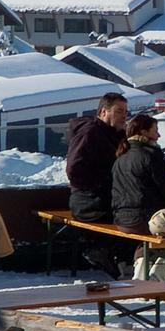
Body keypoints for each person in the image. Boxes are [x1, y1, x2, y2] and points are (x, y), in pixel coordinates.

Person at [112, 114, 165, 280]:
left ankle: (141, 263)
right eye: (155, 131)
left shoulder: (121, 156)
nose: (159, 135)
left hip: (121, 220)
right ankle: (164, 268)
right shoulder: (151, 155)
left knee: (157, 230)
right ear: (143, 132)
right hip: (145, 218)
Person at [66, 92, 127, 277]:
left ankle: (121, 259)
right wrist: (103, 185)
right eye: (119, 111)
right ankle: (115, 256)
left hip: (102, 197)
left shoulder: (115, 134)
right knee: (134, 212)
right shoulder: (90, 133)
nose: (124, 116)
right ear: (103, 112)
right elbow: (73, 170)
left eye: (125, 111)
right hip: (88, 201)